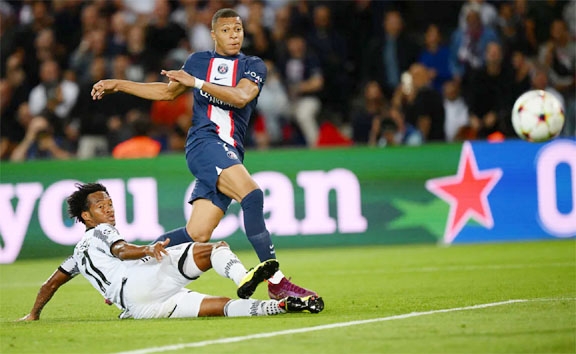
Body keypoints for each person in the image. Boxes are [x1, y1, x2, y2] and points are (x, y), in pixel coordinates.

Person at [91, 8, 318, 300]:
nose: (233, 36)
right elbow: (166, 93)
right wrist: (118, 84)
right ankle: (277, 282)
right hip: (204, 143)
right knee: (252, 195)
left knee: (197, 233)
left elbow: (241, 96)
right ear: (213, 34)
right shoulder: (198, 62)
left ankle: (130, 272)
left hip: (230, 150)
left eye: (238, 30)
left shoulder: (253, 65)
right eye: (226, 30)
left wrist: (195, 83)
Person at [18, 183, 324, 321]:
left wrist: (34, 314)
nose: (109, 210)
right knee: (213, 249)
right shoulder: (101, 232)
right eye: (101, 206)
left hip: (138, 309)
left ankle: (282, 308)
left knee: (221, 307)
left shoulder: (77, 255)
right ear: (86, 217)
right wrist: (147, 250)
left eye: (110, 204)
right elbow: (122, 250)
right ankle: (244, 277)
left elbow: (51, 284)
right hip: (142, 281)